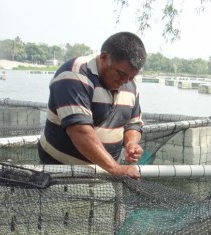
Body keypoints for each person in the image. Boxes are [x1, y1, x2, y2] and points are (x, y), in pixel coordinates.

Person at [37, 31, 147, 179]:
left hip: (106, 175)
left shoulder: (130, 84)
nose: (125, 81)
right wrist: (115, 168)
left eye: (132, 76)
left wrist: (131, 144)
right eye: (121, 74)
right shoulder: (74, 74)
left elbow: (133, 124)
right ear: (103, 57)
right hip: (59, 175)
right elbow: (79, 130)